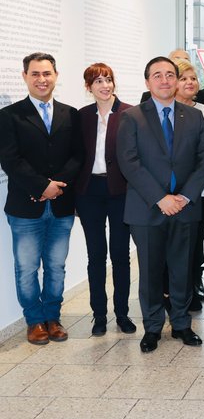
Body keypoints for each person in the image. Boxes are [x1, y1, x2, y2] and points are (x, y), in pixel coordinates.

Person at [117, 56, 204, 352]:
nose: (165, 80)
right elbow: (129, 162)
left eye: (170, 74)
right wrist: (160, 198)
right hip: (147, 209)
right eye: (157, 75)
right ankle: (153, 328)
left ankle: (182, 324)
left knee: (182, 270)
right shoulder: (132, 117)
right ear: (148, 82)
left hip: (185, 207)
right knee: (151, 272)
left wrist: (184, 197)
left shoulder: (194, 116)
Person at [0, 53, 83, 345]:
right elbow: (10, 160)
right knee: (26, 268)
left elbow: (78, 156)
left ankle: (52, 317)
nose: (42, 79)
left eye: (47, 73)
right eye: (35, 74)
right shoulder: (9, 116)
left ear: (55, 75)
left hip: (61, 206)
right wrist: (42, 186)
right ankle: (34, 321)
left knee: (56, 267)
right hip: (25, 207)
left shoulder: (71, 114)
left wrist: (57, 187)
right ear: (25, 76)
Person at [75, 63, 136, 336]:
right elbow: (76, 155)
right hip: (89, 192)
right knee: (96, 255)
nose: (105, 85)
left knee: (120, 255)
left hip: (120, 192)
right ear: (89, 87)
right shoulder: (82, 116)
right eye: (98, 81)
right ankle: (99, 315)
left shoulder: (129, 113)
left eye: (108, 79)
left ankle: (122, 313)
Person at [173, 60, 204, 311]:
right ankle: (176, 290)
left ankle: (194, 283)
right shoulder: (166, 110)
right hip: (174, 191)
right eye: (184, 78)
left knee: (197, 239)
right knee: (177, 243)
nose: (190, 82)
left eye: (193, 78)